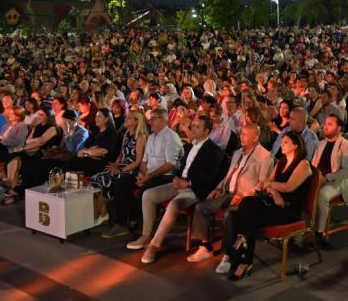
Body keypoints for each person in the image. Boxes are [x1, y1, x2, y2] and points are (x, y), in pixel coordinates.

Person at [129, 114, 225, 263]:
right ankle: (146, 236)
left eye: (197, 126)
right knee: (148, 194)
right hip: (180, 184)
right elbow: (182, 167)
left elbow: (210, 178)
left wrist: (188, 183)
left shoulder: (214, 150)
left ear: (206, 131)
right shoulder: (189, 146)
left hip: (194, 189)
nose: (193, 127)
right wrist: (177, 178)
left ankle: (154, 245)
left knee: (174, 205)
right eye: (193, 125)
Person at [221, 131, 312, 281]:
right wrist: (274, 192)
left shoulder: (303, 164)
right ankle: (244, 255)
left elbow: (288, 187)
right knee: (247, 202)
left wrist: (271, 186)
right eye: (281, 142)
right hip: (274, 203)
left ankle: (242, 256)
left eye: (285, 142)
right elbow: (265, 184)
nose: (281, 145)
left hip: (288, 209)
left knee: (245, 216)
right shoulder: (281, 161)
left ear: (296, 146)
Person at [188, 123, 273, 269]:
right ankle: (206, 246)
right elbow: (228, 175)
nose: (241, 137)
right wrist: (219, 187)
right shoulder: (238, 153)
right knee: (201, 207)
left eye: (245, 134)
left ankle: (228, 255)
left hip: (246, 198)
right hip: (228, 192)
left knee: (229, 215)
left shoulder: (265, 156)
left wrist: (244, 194)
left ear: (255, 137)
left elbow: (262, 185)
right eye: (241, 134)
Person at [117, 109, 183, 237]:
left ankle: (138, 221)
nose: (150, 121)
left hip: (165, 176)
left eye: (153, 119)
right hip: (149, 174)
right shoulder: (152, 137)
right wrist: (142, 174)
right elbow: (144, 161)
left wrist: (149, 176)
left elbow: (170, 164)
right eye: (150, 119)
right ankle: (122, 223)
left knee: (144, 191)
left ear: (163, 120)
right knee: (121, 183)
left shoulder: (171, 137)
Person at [95, 111, 148, 236]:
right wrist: (116, 164)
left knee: (108, 179)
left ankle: (107, 215)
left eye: (129, 118)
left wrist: (122, 169)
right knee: (99, 177)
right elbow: (121, 154)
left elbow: (138, 161)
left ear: (136, 121)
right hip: (123, 165)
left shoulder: (140, 136)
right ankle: (104, 212)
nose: (126, 119)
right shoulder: (126, 134)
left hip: (132, 168)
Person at [311, 114, 348, 243]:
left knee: (322, 194)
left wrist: (326, 178)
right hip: (320, 178)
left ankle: (319, 233)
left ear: (339, 128)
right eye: (325, 123)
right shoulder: (321, 144)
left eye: (330, 124)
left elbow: (346, 172)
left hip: (338, 182)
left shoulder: (347, 147)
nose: (325, 126)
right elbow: (314, 165)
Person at [68, 107, 118, 176]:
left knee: (77, 163)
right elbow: (86, 146)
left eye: (99, 116)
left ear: (106, 119)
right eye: (96, 116)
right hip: (89, 158)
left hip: (102, 162)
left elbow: (103, 151)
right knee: (73, 159)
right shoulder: (95, 131)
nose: (96, 119)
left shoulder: (112, 133)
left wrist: (87, 152)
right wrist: (89, 151)